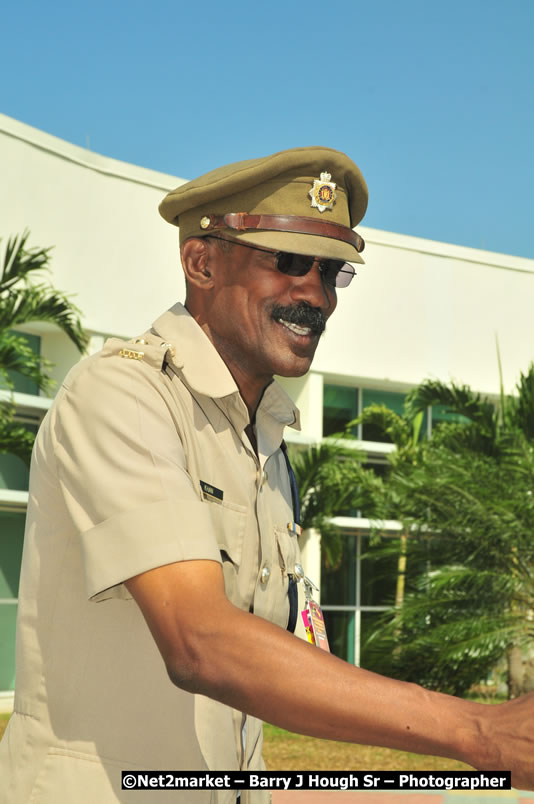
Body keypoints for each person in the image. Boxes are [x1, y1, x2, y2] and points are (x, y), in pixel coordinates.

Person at [0, 146, 533, 804]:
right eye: (286, 262)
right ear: (201, 262)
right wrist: (479, 731)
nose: (315, 295)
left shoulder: (263, 442)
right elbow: (201, 641)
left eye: (332, 271)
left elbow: (245, 705)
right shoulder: (124, 397)